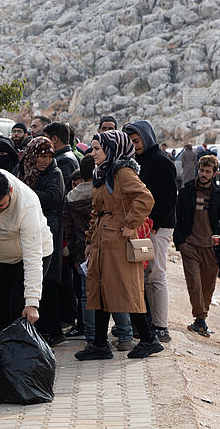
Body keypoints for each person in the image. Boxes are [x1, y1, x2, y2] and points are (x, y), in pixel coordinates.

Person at [75, 130, 160, 360]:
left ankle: (148, 339)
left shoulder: (122, 172)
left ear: (111, 149)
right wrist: (89, 240)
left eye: (96, 149)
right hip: (103, 240)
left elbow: (145, 198)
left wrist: (131, 224)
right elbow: (96, 211)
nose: (92, 153)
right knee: (101, 290)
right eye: (92, 149)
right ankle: (101, 344)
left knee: (125, 291)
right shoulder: (102, 173)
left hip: (119, 241)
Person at [0, 169, 53, 331]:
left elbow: (33, 256)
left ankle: (21, 353)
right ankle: (2, 351)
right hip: (2, 255)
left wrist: (32, 302)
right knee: (0, 308)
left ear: (10, 191)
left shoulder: (28, 206)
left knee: (18, 310)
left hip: (31, 254)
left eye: (1, 205)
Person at [123, 120, 178, 343]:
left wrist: (152, 224)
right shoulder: (137, 161)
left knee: (156, 273)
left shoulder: (161, 161)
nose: (134, 145)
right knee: (144, 275)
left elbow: (167, 198)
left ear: (146, 138)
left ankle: (161, 325)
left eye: (136, 141)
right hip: (144, 228)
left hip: (157, 228)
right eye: (130, 142)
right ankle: (147, 323)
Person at [16, 136, 67, 345]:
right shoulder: (21, 171)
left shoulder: (55, 174)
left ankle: (53, 331)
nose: (45, 161)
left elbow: (54, 197)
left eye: (48, 156)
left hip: (49, 231)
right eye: (41, 156)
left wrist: (25, 193)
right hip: (25, 231)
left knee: (49, 280)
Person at [174, 155, 220, 337]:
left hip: (210, 248)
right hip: (190, 246)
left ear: (214, 173)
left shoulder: (219, 195)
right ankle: (201, 319)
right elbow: (177, 218)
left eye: (208, 171)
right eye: (202, 170)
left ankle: (199, 320)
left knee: (207, 286)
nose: (204, 174)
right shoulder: (186, 191)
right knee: (194, 283)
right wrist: (180, 243)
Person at [62, 155, 97, 343]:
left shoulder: (71, 197)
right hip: (102, 248)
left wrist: (76, 256)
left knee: (86, 296)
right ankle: (123, 333)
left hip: (82, 252)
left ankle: (90, 336)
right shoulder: (102, 193)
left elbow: (69, 229)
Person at [44, 121, 80, 192]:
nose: (45, 143)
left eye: (46, 139)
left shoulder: (65, 161)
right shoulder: (66, 156)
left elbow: (60, 190)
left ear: (54, 139)